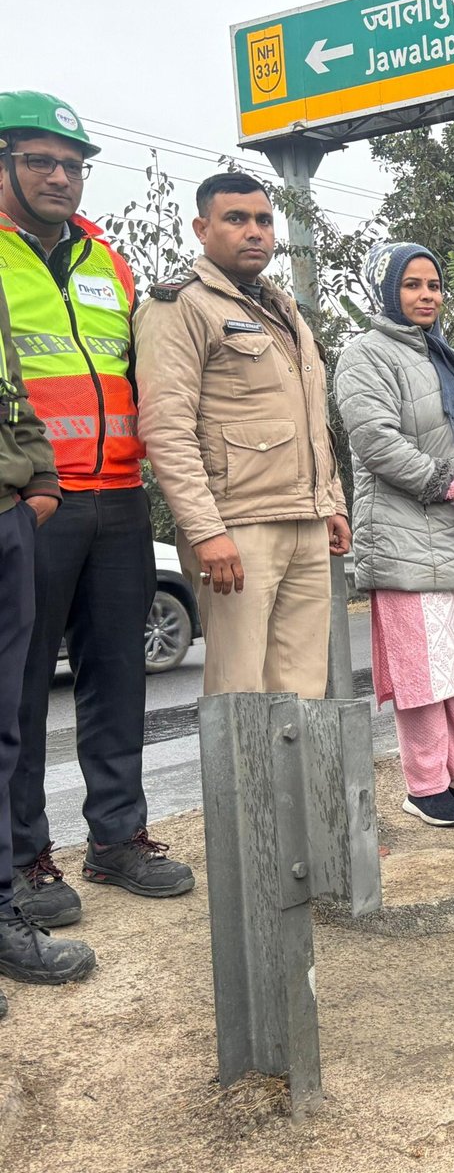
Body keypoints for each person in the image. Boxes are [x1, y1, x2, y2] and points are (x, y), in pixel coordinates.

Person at [0, 91, 193, 924]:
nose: (61, 177)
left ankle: (116, 838)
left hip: (118, 496)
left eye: (73, 165)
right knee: (16, 691)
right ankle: (22, 860)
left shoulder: (106, 260)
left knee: (117, 677)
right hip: (31, 504)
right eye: (41, 161)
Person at [336, 243, 454, 826]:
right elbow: (377, 443)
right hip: (406, 537)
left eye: (434, 285)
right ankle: (424, 785)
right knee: (424, 671)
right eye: (412, 284)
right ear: (386, 290)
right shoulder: (365, 355)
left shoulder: (449, 358)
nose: (427, 296)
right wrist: (453, 487)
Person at [134, 171, 350, 699]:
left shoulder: (283, 308)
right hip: (236, 526)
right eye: (236, 219)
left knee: (304, 695)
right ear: (201, 228)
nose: (255, 231)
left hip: (306, 520)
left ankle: (297, 768)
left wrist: (332, 503)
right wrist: (206, 531)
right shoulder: (180, 306)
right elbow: (166, 428)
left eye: (264, 220)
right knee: (240, 696)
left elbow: (311, 417)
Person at [0, 278, 95, 1014]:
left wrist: (42, 482)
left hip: (7, 518)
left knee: (2, 731)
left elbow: (15, 395)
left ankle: (2, 914)